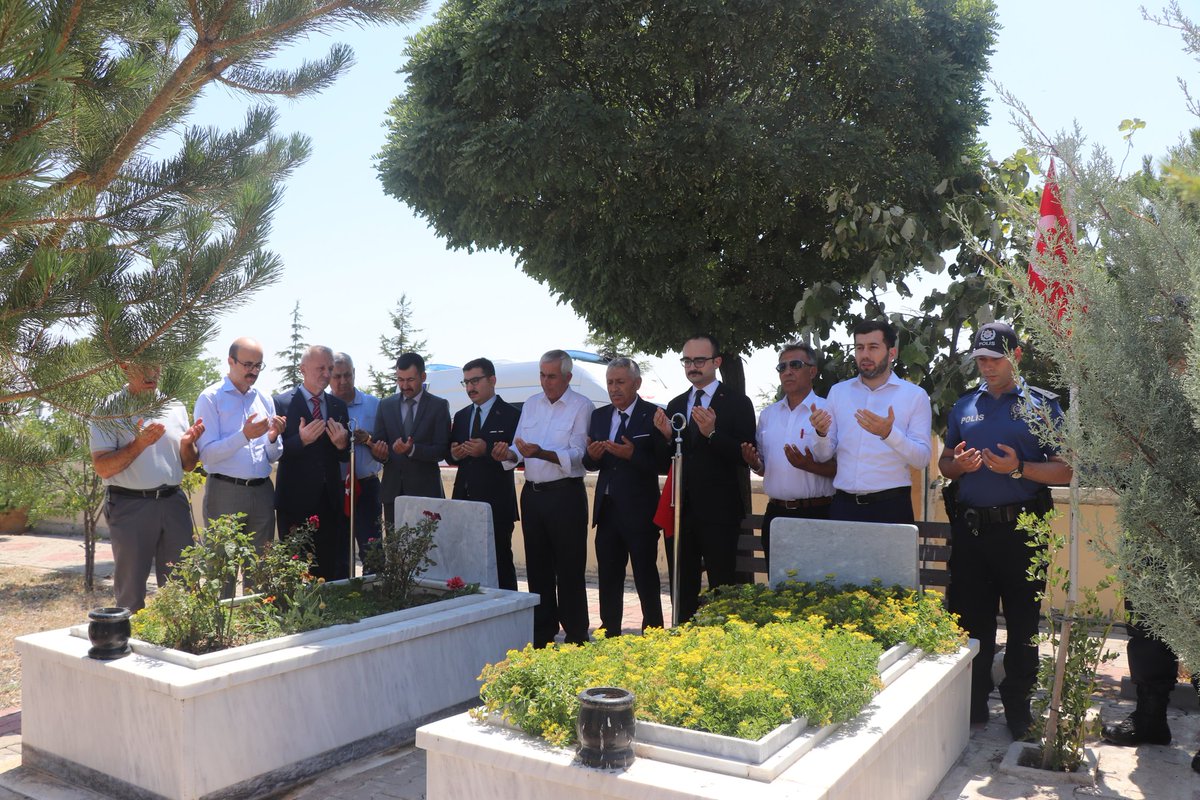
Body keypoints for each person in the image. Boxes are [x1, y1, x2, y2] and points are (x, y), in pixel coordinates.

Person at [939, 322, 1070, 739]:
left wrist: (1019, 467)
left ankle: (1018, 707)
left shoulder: (1043, 405)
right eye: (980, 359)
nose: (987, 367)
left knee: (1022, 623)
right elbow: (945, 463)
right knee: (968, 621)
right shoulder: (963, 406)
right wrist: (957, 466)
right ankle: (973, 702)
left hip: (1022, 532)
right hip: (972, 533)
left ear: (1016, 355)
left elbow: (1065, 469)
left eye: (995, 359)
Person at [494, 349, 592, 646]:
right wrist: (508, 454)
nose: (545, 382)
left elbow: (579, 457)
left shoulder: (581, 406)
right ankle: (542, 634)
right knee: (537, 568)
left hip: (566, 495)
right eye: (542, 375)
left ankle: (576, 636)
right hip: (533, 494)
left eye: (551, 376)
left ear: (567, 377)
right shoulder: (532, 404)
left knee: (570, 569)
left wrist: (543, 453)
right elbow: (518, 448)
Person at [89, 362, 205, 612]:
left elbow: (189, 465)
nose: (151, 373)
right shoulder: (108, 409)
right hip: (130, 506)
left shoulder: (175, 406)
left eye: (156, 366)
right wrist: (139, 444)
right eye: (144, 366)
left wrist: (187, 445)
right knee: (131, 591)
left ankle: (176, 643)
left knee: (181, 586)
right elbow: (103, 467)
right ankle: (127, 645)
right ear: (125, 366)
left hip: (173, 502)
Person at [660, 334, 756, 624]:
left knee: (722, 588)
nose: (692, 366)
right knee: (683, 587)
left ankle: (722, 644)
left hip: (720, 512)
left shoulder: (738, 402)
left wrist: (713, 434)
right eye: (687, 360)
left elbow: (745, 456)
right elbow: (672, 458)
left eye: (699, 360)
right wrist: (666, 438)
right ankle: (685, 639)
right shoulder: (676, 403)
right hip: (682, 511)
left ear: (716, 362)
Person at [810, 319, 931, 524]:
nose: (865, 354)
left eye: (873, 347)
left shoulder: (915, 396)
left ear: (892, 353)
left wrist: (889, 434)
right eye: (859, 347)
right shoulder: (838, 392)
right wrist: (821, 434)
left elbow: (921, 459)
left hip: (891, 507)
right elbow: (822, 456)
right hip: (844, 507)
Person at [584, 358, 671, 634]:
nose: (614, 388)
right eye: (610, 382)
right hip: (607, 510)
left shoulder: (653, 415)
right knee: (609, 576)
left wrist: (632, 454)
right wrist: (592, 456)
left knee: (645, 575)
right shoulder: (599, 416)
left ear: (636, 384)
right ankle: (610, 630)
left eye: (620, 382)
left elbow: (663, 463)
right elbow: (590, 462)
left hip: (640, 511)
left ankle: (653, 631)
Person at [741, 343, 835, 573]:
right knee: (779, 589)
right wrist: (754, 462)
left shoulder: (828, 409)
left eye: (795, 365)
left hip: (817, 513)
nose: (787, 371)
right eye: (782, 367)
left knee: (818, 586)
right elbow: (764, 467)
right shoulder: (768, 415)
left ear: (812, 371)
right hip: (776, 514)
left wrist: (809, 461)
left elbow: (835, 464)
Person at [193, 337, 285, 557]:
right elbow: (207, 455)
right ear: (230, 361)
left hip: (262, 491)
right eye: (247, 365)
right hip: (225, 492)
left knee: (260, 567)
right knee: (223, 568)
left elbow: (273, 456)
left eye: (258, 365)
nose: (253, 371)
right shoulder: (210, 398)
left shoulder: (264, 399)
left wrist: (273, 438)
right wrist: (244, 436)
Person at [274, 345, 351, 580]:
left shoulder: (338, 406)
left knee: (328, 568)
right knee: (295, 570)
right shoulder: (281, 404)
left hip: (330, 502)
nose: (327, 374)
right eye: (321, 368)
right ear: (302, 369)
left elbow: (343, 455)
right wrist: (301, 440)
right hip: (295, 502)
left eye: (330, 368)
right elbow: (272, 452)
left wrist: (341, 445)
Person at [447, 357, 521, 590]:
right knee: (465, 563)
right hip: (464, 501)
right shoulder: (461, 416)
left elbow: (517, 456)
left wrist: (486, 450)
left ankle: (509, 614)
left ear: (492, 380)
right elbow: (450, 455)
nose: (470, 387)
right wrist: (456, 453)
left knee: (500, 562)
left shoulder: (512, 414)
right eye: (466, 382)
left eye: (475, 381)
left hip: (496, 503)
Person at [370, 352, 450, 524]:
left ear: (423, 376)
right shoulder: (385, 405)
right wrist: (379, 452)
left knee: (428, 549)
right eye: (400, 380)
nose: (404, 385)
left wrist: (412, 450)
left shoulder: (438, 406)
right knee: (395, 549)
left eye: (410, 380)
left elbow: (442, 450)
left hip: (427, 495)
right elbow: (378, 445)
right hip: (393, 493)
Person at [331, 352, 383, 559]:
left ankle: (374, 589)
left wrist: (369, 439)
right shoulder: (324, 406)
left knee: (373, 551)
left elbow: (384, 441)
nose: (343, 382)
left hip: (367, 486)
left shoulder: (375, 404)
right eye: (337, 376)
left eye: (347, 375)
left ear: (354, 373)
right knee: (337, 550)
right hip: (335, 488)